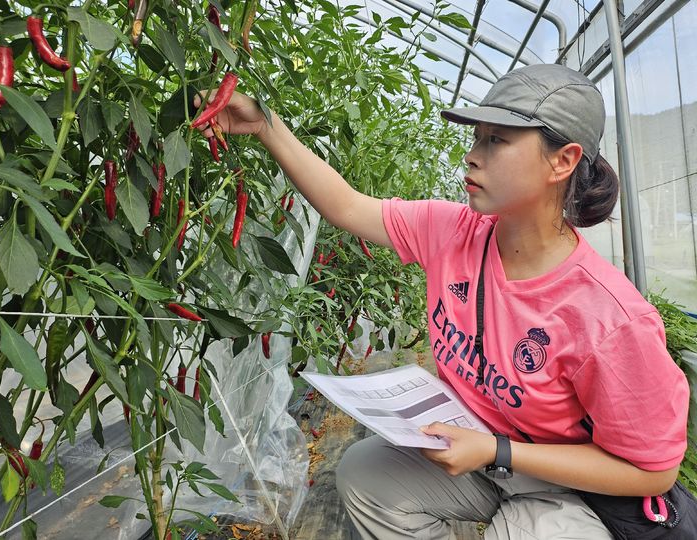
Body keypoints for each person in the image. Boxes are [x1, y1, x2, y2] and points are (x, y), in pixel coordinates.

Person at [195, 63, 689, 539]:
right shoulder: (455, 232)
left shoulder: (610, 319)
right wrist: (265, 126)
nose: (473, 155)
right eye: (477, 137)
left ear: (562, 161)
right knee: (365, 474)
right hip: (484, 452)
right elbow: (346, 205)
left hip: (567, 484)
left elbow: (652, 473)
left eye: (497, 140)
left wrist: (499, 451)